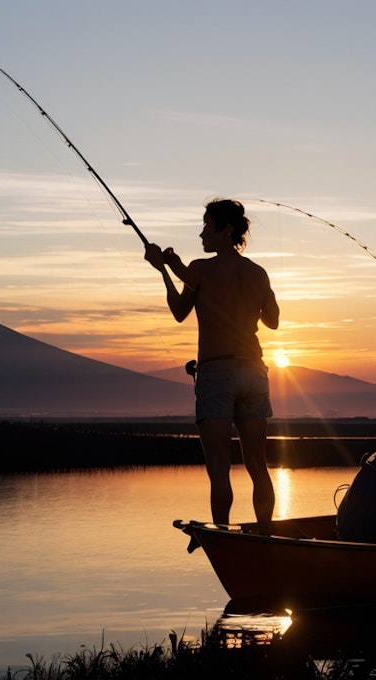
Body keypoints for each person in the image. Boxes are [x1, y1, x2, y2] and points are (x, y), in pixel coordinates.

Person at [144, 198, 280, 535]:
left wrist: (163, 270)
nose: (201, 232)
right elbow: (273, 321)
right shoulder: (258, 273)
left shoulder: (201, 269)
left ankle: (223, 536)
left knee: (219, 468)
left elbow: (179, 310)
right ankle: (265, 535)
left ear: (226, 230)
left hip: (217, 373)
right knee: (258, 465)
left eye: (207, 225)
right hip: (254, 372)